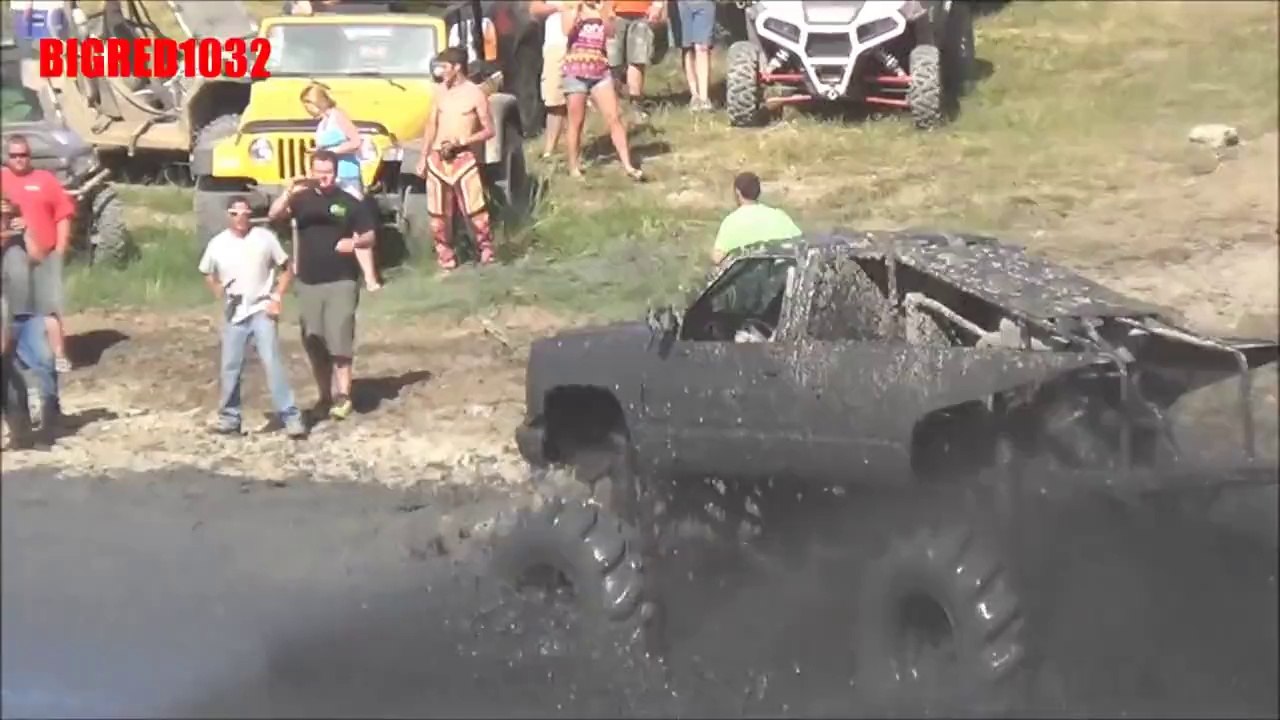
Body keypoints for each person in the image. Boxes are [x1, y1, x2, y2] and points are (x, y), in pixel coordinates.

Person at [267, 150, 374, 422]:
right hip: (308, 281)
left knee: (340, 336)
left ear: (335, 173)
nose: (324, 177)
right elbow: (274, 215)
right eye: (319, 171)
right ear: (312, 171)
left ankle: (343, 396)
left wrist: (355, 243)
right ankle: (324, 395)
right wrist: (289, 190)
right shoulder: (301, 200)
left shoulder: (349, 201)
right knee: (314, 340)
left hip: (341, 279)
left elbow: (370, 235)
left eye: (328, 172)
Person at [198, 196, 307, 438]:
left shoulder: (264, 238)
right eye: (235, 214)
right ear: (228, 216)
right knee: (230, 367)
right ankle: (229, 418)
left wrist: (277, 296)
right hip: (234, 312)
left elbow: (287, 266)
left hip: (261, 309)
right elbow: (206, 271)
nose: (240, 218)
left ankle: (291, 417)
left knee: (272, 363)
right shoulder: (218, 244)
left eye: (245, 214)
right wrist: (217, 288)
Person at [413, 47, 499, 270]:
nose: (440, 72)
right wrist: (423, 157)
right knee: (438, 216)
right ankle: (446, 259)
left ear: (457, 67)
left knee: (475, 212)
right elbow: (431, 125)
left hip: (464, 158)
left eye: (444, 67)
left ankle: (486, 253)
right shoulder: (439, 92)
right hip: (437, 158)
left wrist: (464, 141)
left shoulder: (475, 94)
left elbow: (489, 130)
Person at [1, 134, 75, 374]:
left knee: (49, 307)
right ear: (7, 157)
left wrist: (60, 249)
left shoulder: (45, 180)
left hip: (44, 253)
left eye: (23, 155)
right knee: (11, 309)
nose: (19, 159)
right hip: (10, 255)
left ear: (30, 156)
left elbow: (63, 215)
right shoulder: (2, 179)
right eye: (14, 155)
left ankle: (59, 355)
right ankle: (13, 358)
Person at [300, 83, 382, 292]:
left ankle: (371, 278)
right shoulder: (322, 124)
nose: (307, 110)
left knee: (358, 225)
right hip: (329, 177)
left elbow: (355, 141)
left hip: (347, 174)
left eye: (308, 104)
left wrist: (333, 152)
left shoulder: (338, 116)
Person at [560, 1, 645, 181]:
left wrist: (604, 14)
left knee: (614, 117)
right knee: (576, 121)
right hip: (576, 70)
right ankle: (574, 166)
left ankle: (628, 165)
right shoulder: (572, 7)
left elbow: (611, 33)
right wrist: (577, 10)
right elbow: (566, 30)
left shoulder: (604, 8)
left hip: (599, 70)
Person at [0, 195, 58, 446]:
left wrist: (26, 233)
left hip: (22, 314)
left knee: (28, 367)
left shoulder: (18, 243)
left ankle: (26, 427)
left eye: (6, 216)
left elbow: (39, 259)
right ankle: (17, 427)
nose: (3, 221)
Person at [711, 171, 802, 264]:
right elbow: (801, 245)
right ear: (759, 191)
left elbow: (717, 258)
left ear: (737, 192)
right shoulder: (780, 216)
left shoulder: (731, 222)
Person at [607, 1, 666, 119]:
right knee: (612, 62)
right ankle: (611, 105)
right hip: (614, 12)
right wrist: (605, 9)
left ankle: (636, 104)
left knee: (638, 60)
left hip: (642, 13)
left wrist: (657, 5)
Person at [531, 0, 569, 159]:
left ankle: (575, 148)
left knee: (580, 99)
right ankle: (550, 151)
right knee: (554, 101)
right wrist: (559, 7)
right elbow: (534, 8)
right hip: (557, 45)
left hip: (586, 45)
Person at [675, 0, 715, 111]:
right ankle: (694, 95)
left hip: (705, 3)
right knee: (687, 48)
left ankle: (704, 97)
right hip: (681, 4)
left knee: (702, 47)